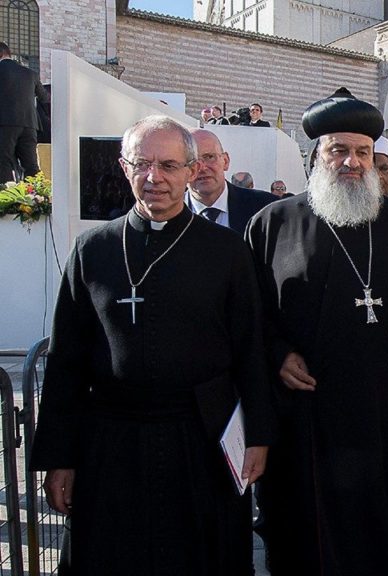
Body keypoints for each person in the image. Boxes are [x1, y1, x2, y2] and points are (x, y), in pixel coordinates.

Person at [30, 115, 273, 576]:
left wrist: (258, 435)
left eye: (167, 165)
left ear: (189, 170)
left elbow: (250, 349)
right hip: (111, 440)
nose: (153, 178)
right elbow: (66, 363)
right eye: (142, 164)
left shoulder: (226, 252)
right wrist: (59, 458)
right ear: (125, 168)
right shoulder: (92, 250)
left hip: (202, 438)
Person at [246, 87, 388, 575]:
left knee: (385, 530)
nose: (352, 162)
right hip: (308, 417)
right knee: (308, 537)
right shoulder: (274, 223)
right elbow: (248, 314)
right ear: (317, 156)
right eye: (339, 150)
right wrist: (277, 353)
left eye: (362, 151)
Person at [185, 129, 276, 235]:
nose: (202, 168)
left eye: (209, 157)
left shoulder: (266, 208)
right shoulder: (166, 214)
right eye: (192, 161)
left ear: (225, 161)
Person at [0, 41, 49, 180]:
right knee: (31, 164)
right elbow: (44, 98)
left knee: (4, 162)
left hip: (4, 124)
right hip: (29, 125)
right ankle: (38, 196)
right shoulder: (31, 74)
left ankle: (7, 198)